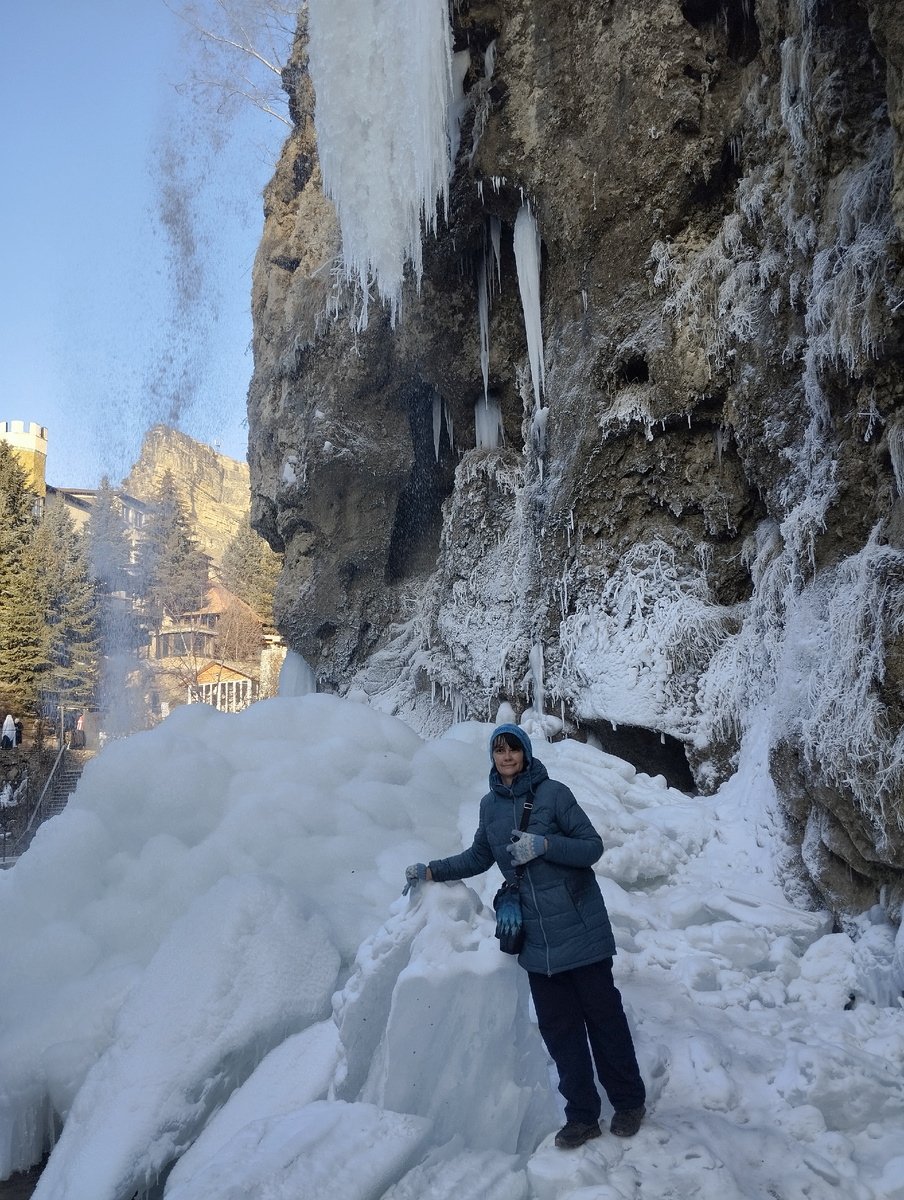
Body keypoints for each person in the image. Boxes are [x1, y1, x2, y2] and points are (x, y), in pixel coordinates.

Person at [404, 723, 646, 1149]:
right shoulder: (489, 807)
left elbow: (591, 847)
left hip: (581, 929)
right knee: (560, 1031)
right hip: (536, 940)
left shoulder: (555, 794)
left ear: (526, 753)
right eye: (499, 750)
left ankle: (628, 1102)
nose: (507, 756)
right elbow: (479, 855)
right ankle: (582, 1115)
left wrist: (544, 845)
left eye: (513, 748)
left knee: (604, 1021)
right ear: (492, 757)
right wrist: (431, 870)